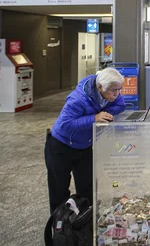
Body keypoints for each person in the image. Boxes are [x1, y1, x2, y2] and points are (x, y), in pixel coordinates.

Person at [45, 67, 126, 214]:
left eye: (119, 89)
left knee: (87, 188)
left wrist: (105, 114)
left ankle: (87, 225)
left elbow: (121, 105)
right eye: (113, 90)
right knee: (59, 191)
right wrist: (94, 118)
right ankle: (61, 230)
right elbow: (66, 124)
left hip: (84, 146)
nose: (117, 94)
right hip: (60, 146)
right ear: (100, 87)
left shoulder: (111, 92)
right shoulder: (78, 98)